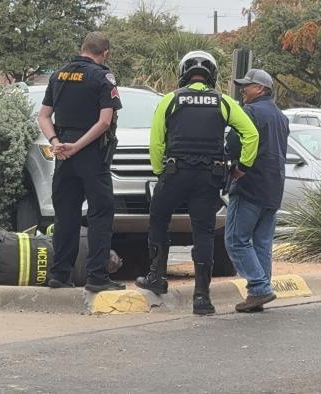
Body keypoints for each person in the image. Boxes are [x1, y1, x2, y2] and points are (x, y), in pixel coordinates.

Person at [137, 51, 259, 315]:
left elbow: (156, 142)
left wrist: (160, 172)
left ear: (183, 73)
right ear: (211, 75)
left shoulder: (170, 100)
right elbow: (251, 134)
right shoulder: (223, 101)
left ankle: (156, 277)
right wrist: (242, 167)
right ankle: (202, 297)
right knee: (203, 233)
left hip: (175, 173)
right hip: (208, 178)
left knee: (158, 219)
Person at [37, 32, 123, 293]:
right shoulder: (103, 77)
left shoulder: (58, 75)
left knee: (65, 215)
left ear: (83, 48)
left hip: (63, 154)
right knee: (100, 214)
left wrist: (56, 142)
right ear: (105, 53)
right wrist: (78, 146)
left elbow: (43, 116)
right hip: (91, 154)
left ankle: (60, 274)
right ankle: (97, 276)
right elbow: (104, 122)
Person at [225, 69, 290, 313]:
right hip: (273, 187)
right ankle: (260, 291)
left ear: (261, 89)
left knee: (236, 240)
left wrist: (234, 167)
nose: (243, 89)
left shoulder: (250, 112)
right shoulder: (280, 116)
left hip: (249, 184)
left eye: (247, 85)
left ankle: (259, 287)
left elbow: (233, 144)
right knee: (261, 242)